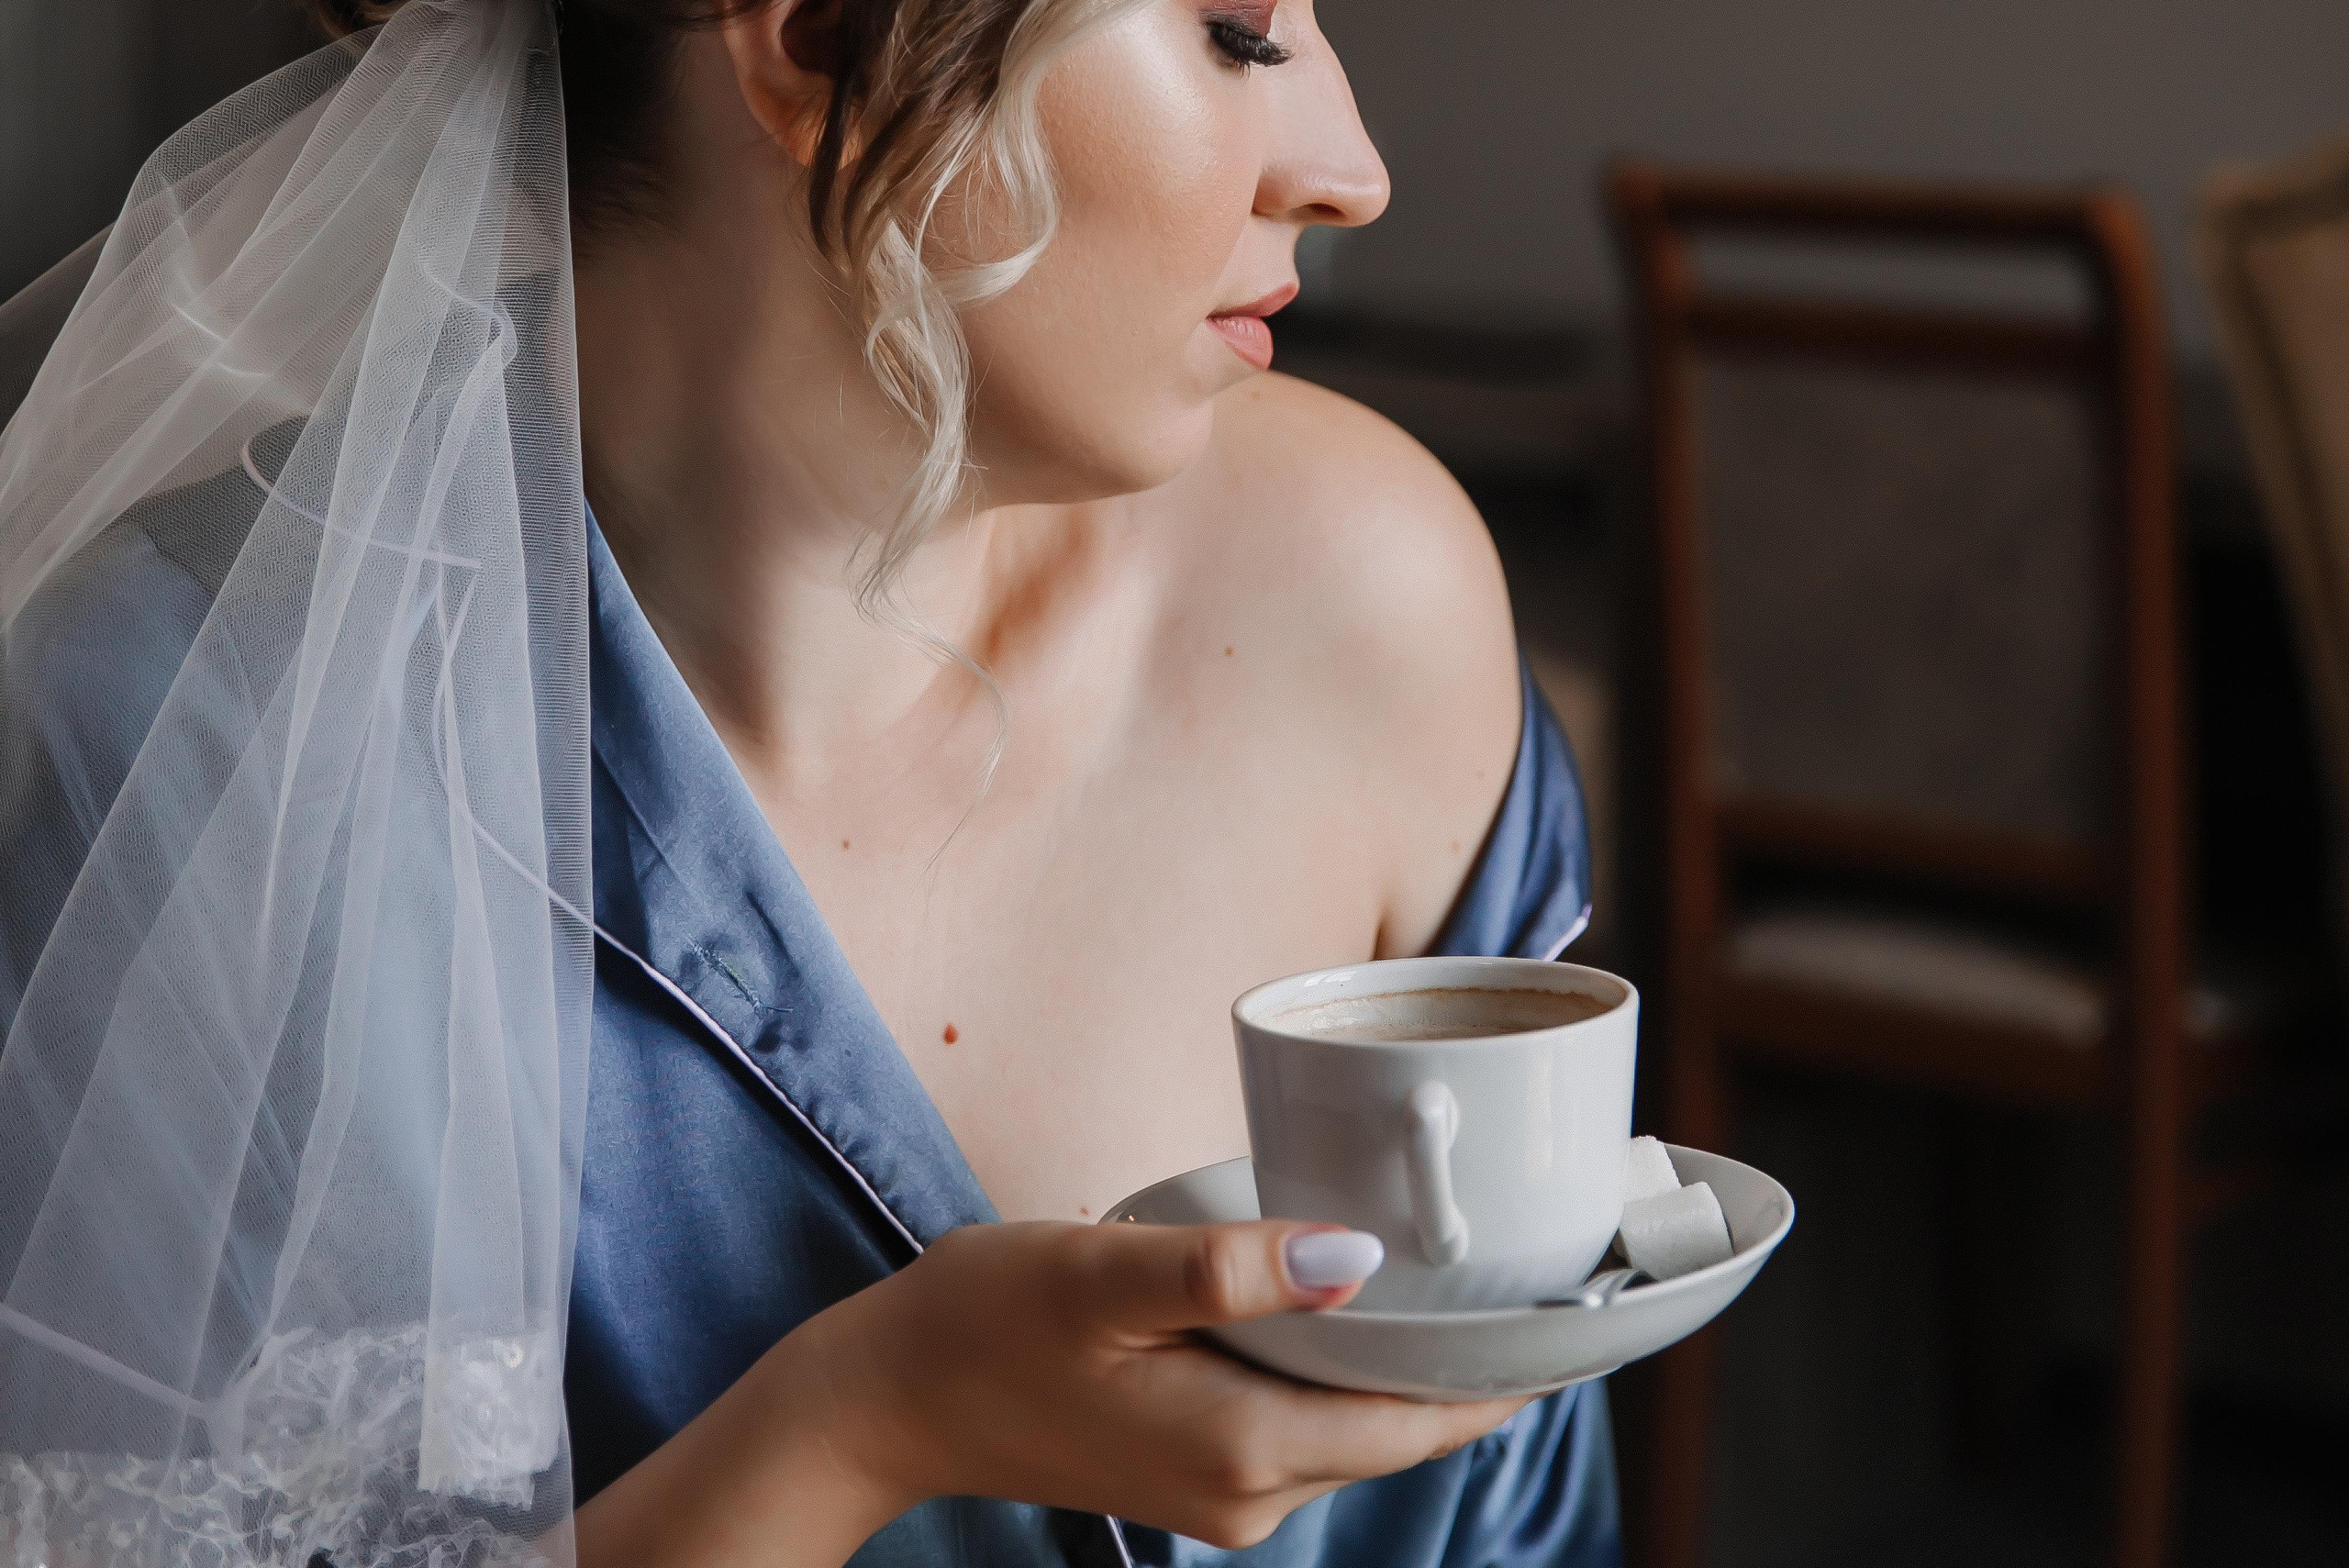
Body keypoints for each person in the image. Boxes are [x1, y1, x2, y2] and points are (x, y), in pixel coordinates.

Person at [0, 2, 1615, 1564]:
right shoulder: (180, 727)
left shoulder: (1367, 608)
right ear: (821, 38)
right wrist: (857, 1424)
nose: (1348, 167)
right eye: (1237, 32)